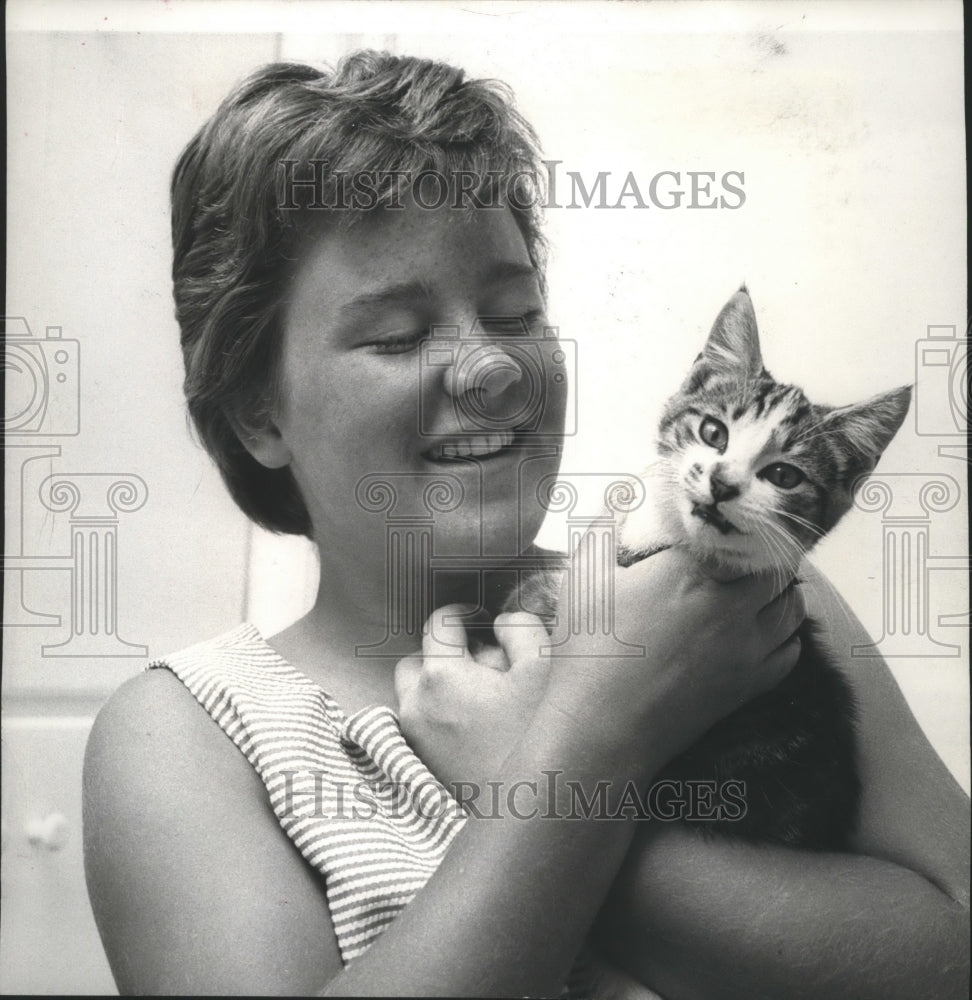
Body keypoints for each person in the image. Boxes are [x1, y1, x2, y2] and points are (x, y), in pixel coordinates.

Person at [82, 51, 969, 998]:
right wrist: (589, 747)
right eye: (397, 336)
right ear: (259, 412)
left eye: (515, 314)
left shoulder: (738, 594)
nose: (495, 371)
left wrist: (526, 776)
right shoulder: (187, 738)